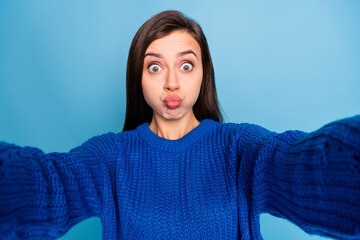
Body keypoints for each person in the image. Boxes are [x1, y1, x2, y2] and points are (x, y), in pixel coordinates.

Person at [0, 10, 359, 240]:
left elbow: (304, 169)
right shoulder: (110, 157)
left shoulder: (239, 148)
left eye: (186, 65)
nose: (172, 83)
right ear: (138, 78)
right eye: (155, 67)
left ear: (204, 74)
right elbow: (48, 186)